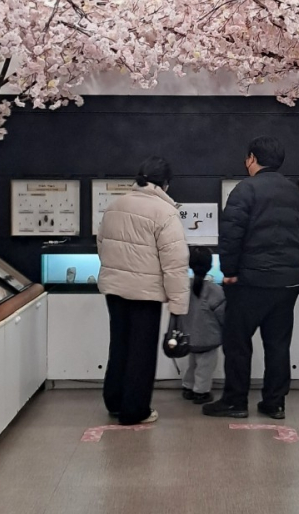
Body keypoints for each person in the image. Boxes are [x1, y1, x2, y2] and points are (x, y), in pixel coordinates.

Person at [202, 136, 299, 420]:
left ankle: (235, 401)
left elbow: (231, 235)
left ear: (252, 158)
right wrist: (296, 268)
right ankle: (275, 403)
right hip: (288, 281)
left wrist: (229, 272)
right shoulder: (298, 194)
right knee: (278, 343)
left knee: (238, 342)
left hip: (251, 281)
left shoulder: (245, 190)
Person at [97, 156, 190, 425]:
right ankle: (134, 410)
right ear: (166, 184)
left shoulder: (115, 205)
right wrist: (178, 305)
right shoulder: (165, 212)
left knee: (119, 345)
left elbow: (101, 245)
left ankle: (114, 401)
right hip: (145, 293)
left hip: (115, 290)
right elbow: (175, 264)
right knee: (142, 351)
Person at [173, 247, 226, 405]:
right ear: (210, 266)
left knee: (192, 364)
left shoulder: (183, 288)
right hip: (208, 338)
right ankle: (201, 392)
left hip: (188, 337)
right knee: (205, 367)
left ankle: (188, 387)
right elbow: (223, 316)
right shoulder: (215, 290)